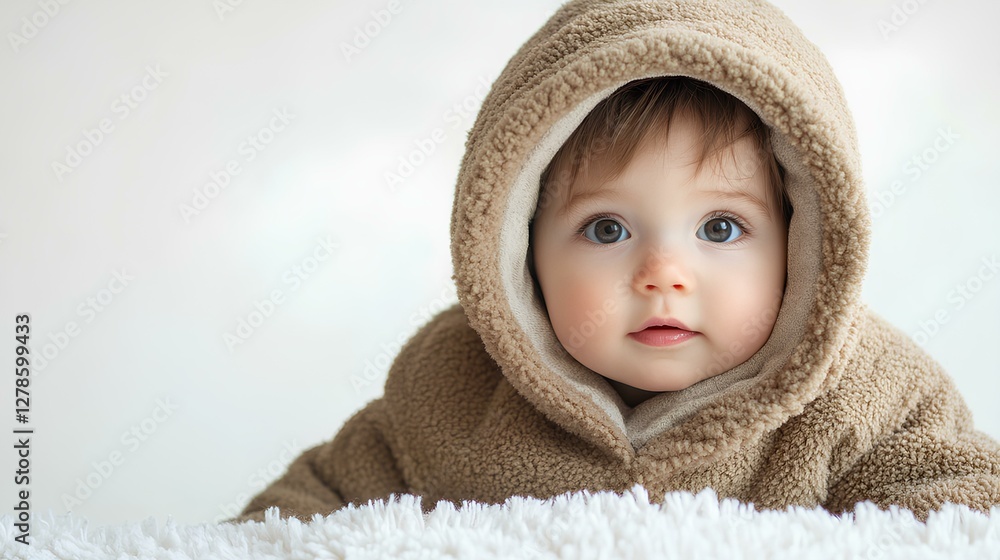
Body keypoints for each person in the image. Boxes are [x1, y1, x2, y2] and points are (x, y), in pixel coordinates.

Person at [235, 0, 1000, 522]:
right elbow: (303, 512)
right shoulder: (453, 388)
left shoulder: (868, 394)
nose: (663, 274)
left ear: (804, 245)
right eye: (606, 230)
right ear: (517, 250)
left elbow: (968, 512)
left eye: (722, 228)